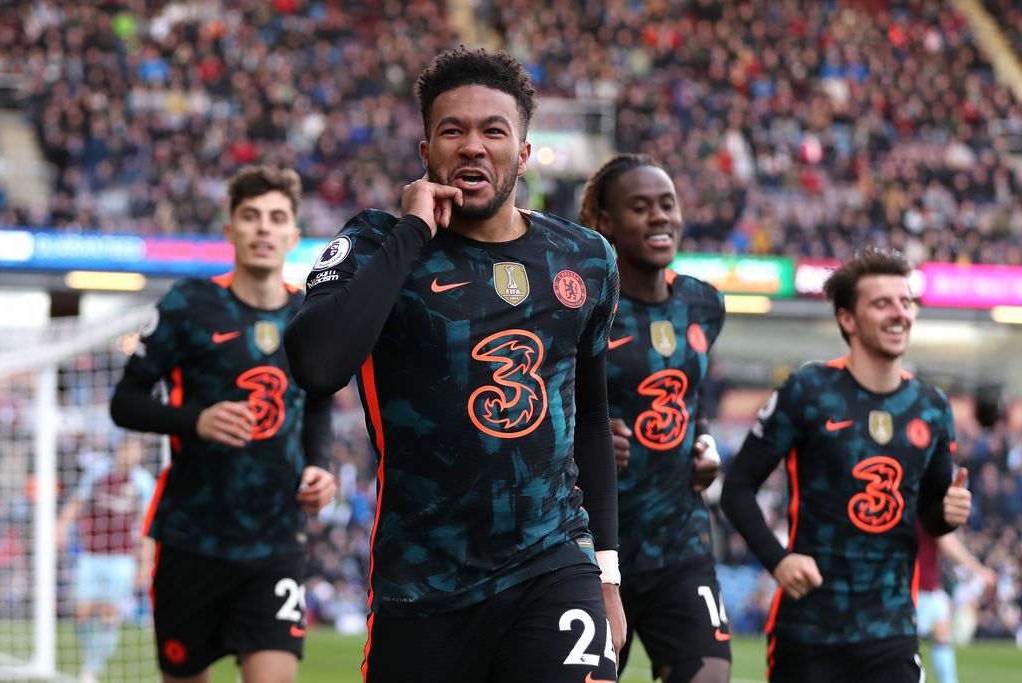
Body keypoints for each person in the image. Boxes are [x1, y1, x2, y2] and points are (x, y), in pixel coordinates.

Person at [283, 46, 624, 683]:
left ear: (522, 154)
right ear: (425, 154)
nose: (472, 146)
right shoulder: (375, 242)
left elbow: (595, 420)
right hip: (423, 584)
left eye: (493, 131)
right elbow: (316, 363)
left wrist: (605, 571)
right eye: (452, 130)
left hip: (551, 564)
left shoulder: (585, 258)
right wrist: (414, 233)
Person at [109, 165, 337, 683]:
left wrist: (319, 467)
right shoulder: (190, 304)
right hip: (192, 539)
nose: (263, 228)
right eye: (250, 217)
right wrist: (196, 420)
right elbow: (125, 401)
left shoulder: (308, 315)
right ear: (230, 231)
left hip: (275, 540)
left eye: (276, 218)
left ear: (293, 236)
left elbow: (318, 402)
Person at [720, 247, 973, 683]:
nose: (899, 313)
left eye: (905, 302)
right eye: (882, 303)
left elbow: (930, 514)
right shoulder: (808, 391)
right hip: (809, 630)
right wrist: (778, 560)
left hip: (891, 628)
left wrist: (947, 515)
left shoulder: (931, 407)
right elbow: (737, 488)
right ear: (848, 320)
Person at [578, 154, 730, 683]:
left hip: (679, 544)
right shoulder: (582, 303)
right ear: (605, 222)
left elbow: (693, 400)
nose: (659, 217)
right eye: (639, 208)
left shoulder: (703, 305)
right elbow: (544, 402)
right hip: (589, 550)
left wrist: (705, 444)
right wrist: (585, 439)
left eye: (667, 204)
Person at [56, 436, 156, 683]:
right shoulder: (98, 472)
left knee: (109, 613)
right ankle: (91, 655)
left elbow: (148, 528)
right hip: (92, 551)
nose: (130, 454)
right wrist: (60, 526)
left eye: (135, 450)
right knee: (81, 611)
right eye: (126, 448)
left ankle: (93, 667)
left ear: (141, 453)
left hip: (122, 557)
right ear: (119, 449)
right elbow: (78, 502)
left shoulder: (143, 483)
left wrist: (145, 564)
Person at [916, 522, 997, 683]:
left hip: (929, 589)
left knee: (942, 636)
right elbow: (946, 540)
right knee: (905, 653)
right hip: (915, 591)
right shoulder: (922, 506)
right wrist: (979, 569)